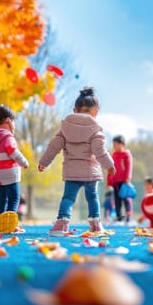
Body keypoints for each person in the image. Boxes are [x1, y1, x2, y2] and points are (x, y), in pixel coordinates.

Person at [38, 87, 115, 236]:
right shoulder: (96, 130)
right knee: (92, 197)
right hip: (90, 172)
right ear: (96, 111)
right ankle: (95, 225)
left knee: (68, 198)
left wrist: (44, 162)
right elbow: (100, 151)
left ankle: (61, 224)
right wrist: (110, 165)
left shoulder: (65, 128)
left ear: (75, 110)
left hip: (71, 172)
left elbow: (53, 147)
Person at [0, 104, 29, 218]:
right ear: (8, 121)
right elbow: (13, 152)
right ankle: (10, 224)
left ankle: (0, 223)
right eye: (13, 121)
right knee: (14, 198)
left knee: (1, 200)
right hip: (10, 173)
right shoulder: (7, 137)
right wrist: (24, 162)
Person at [107, 135, 133, 224]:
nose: (113, 146)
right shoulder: (114, 155)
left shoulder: (126, 154)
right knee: (117, 199)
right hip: (115, 181)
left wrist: (127, 177)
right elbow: (111, 168)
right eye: (113, 144)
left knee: (125, 198)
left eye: (115, 144)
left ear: (121, 144)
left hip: (124, 180)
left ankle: (128, 215)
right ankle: (119, 217)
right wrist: (109, 180)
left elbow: (128, 167)